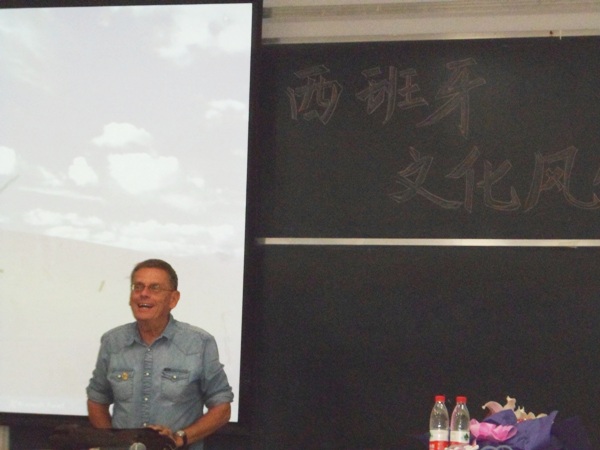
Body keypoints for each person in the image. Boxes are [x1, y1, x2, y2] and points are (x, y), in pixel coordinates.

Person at [86, 259, 233, 449]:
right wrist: (112, 442)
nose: (143, 294)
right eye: (138, 287)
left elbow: (222, 407)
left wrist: (179, 438)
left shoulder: (199, 343)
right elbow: (97, 399)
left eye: (154, 288)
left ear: (173, 299)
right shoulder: (112, 342)